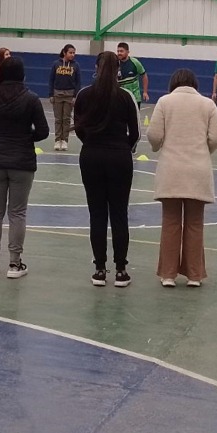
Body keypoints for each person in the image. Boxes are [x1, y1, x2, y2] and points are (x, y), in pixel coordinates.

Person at [147, 69, 217, 287]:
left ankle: (168, 274)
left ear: (173, 83)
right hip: (198, 169)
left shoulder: (164, 101)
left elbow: (154, 135)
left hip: (171, 169)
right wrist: (203, 151)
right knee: (195, 223)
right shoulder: (207, 104)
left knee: (170, 222)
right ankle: (194, 275)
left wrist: (157, 147)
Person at [0, 57, 49, 278]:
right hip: (22, 161)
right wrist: (27, 137)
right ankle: (15, 264)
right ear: (22, 75)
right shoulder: (31, 99)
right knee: (17, 213)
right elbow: (43, 131)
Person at [74, 52, 140, 287]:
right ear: (118, 70)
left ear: (96, 68)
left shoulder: (84, 95)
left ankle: (100, 269)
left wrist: (92, 145)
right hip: (119, 158)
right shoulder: (126, 97)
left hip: (91, 156)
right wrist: (124, 148)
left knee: (97, 213)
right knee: (120, 214)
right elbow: (136, 133)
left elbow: (79, 127)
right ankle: (121, 270)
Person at [49, 44, 81, 152]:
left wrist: (75, 96)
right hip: (57, 94)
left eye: (73, 53)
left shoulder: (76, 65)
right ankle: (58, 140)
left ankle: (65, 141)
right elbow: (51, 80)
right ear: (64, 52)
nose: (72, 55)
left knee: (66, 119)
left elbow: (78, 82)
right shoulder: (56, 64)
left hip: (69, 94)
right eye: (70, 52)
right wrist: (51, 94)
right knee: (58, 119)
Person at [116, 42, 149, 106]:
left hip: (134, 98)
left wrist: (145, 92)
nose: (119, 53)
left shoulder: (135, 62)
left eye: (121, 51)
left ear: (128, 52)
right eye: (118, 51)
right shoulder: (115, 63)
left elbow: (144, 75)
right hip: (120, 98)